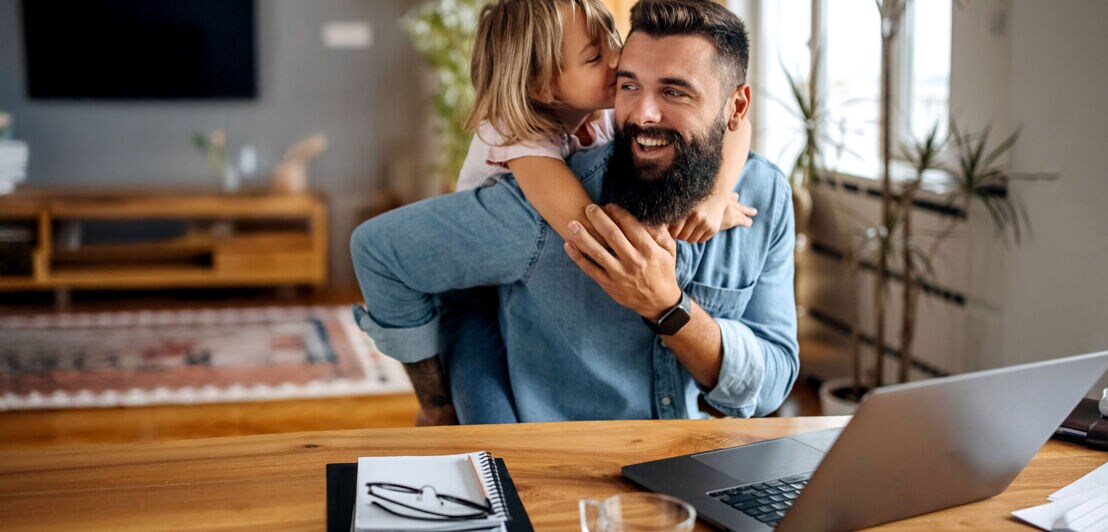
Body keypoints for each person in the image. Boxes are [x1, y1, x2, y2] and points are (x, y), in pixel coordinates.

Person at [352, 0, 798, 424]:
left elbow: (773, 381)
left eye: (675, 91)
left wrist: (716, 196)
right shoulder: (533, 166)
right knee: (486, 421)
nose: (642, 114)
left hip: (694, 467)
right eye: (629, 83)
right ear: (544, 85)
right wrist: (435, 405)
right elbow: (593, 229)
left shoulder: (765, 193)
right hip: (476, 315)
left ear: (735, 105)